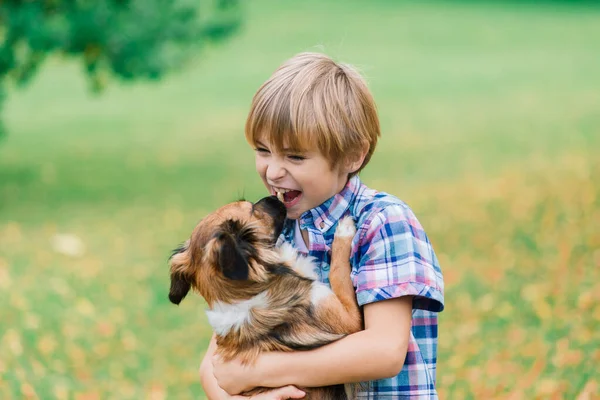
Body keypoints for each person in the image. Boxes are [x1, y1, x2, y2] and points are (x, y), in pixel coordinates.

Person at [199, 52, 445, 399]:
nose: (272, 171)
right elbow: (216, 364)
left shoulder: (383, 223)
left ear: (352, 156)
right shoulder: (265, 232)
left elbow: (385, 350)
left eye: (295, 156)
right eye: (263, 150)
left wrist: (260, 370)